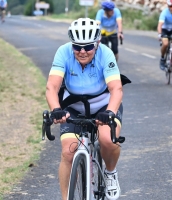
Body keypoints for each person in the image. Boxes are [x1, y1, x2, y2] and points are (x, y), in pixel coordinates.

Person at [46, 18, 127, 200]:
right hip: (73, 107)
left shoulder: (106, 54)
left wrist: (110, 112)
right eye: (77, 47)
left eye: (88, 47)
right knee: (68, 152)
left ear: (97, 43)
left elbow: (116, 89)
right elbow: (52, 87)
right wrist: (56, 109)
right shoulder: (63, 53)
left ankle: (111, 172)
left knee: (108, 140)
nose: (82, 52)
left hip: (104, 106)